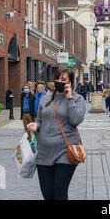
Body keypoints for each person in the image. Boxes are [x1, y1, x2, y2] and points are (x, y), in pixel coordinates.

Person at [27, 69, 85, 200]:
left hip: (65, 151)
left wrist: (69, 98)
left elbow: (76, 120)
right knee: (47, 194)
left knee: (60, 192)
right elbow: (39, 120)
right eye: (57, 78)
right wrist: (35, 126)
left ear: (70, 82)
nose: (59, 82)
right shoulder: (46, 98)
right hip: (44, 153)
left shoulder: (77, 99)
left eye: (63, 80)